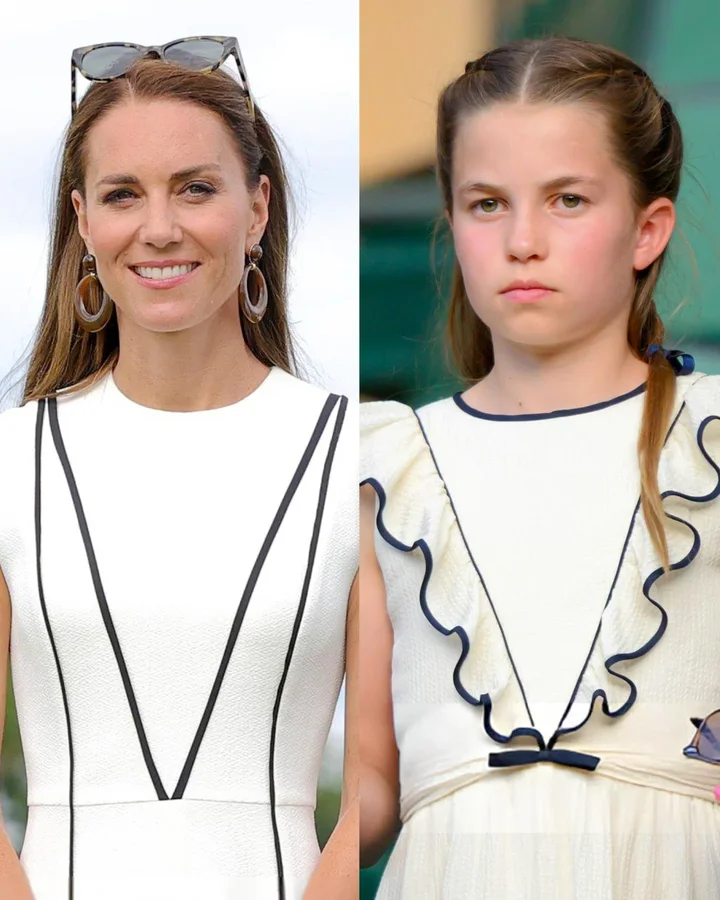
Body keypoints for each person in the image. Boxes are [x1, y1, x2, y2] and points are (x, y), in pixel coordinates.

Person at [360, 35, 720, 900]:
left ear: (647, 229)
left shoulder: (708, 434)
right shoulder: (381, 466)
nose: (523, 240)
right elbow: (368, 787)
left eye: (567, 199)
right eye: (488, 204)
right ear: (452, 225)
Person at [0, 38, 358, 900]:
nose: (159, 227)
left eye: (195, 188)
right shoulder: (11, 461)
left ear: (258, 208)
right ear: (85, 222)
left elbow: (381, 782)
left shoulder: (360, 458)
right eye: (124, 195)